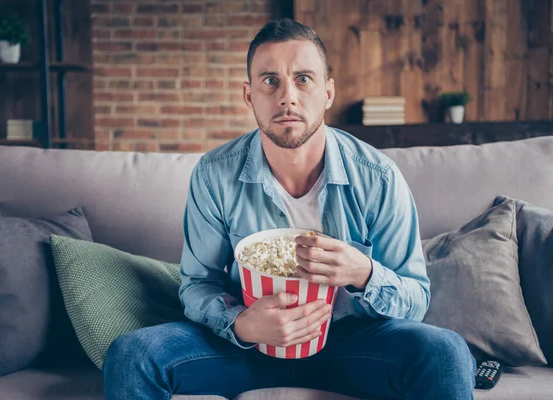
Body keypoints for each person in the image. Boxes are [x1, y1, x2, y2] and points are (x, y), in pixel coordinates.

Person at [103, 18, 476, 400]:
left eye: (303, 79)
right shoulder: (214, 175)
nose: (287, 97)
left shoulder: (378, 177)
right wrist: (243, 324)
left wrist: (363, 272)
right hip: (247, 346)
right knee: (132, 354)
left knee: (445, 351)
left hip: (352, 345)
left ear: (328, 92)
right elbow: (198, 284)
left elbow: (415, 297)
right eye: (270, 81)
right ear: (249, 96)